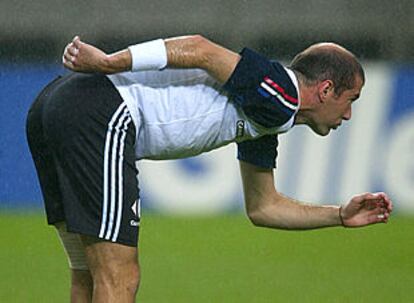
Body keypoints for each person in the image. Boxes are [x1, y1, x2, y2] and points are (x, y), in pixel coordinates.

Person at [26, 34, 393, 302]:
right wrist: (111, 61)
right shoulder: (280, 92)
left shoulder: (270, 116)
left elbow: (263, 207)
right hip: (100, 110)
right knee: (120, 276)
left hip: (57, 105)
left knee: (89, 275)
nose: (348, 114)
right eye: (350, 100)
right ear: (326, 89)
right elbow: (202, 49)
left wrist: (339, 215)